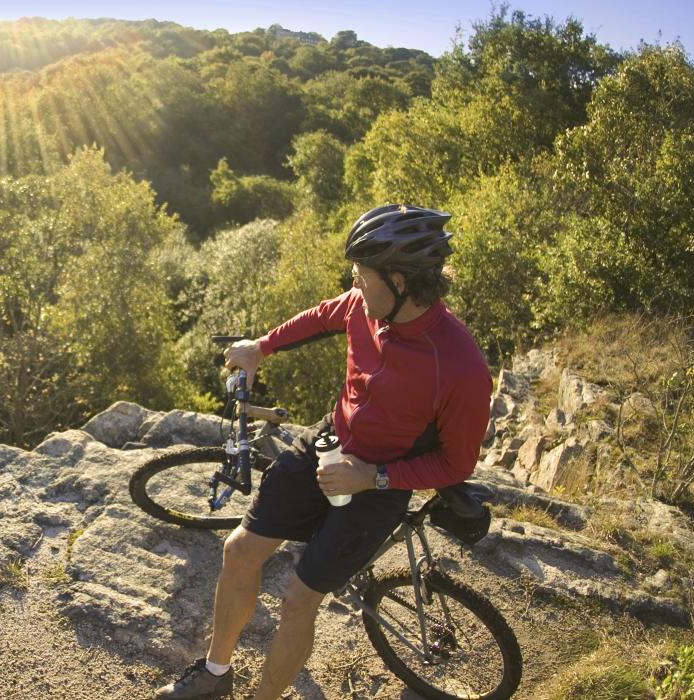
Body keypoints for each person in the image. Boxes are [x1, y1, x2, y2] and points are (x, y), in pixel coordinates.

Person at [154, 204, 492, 699]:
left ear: (399, 280)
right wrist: (261, 347)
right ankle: (215, 675)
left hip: (379, 484)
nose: (354, 284)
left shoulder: (459, 365)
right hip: (329, 443)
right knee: (240, 551)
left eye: (361, 274)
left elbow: (457, 464)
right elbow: (321, 315)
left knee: (297, 598)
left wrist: (372, 478)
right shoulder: (367, 306)